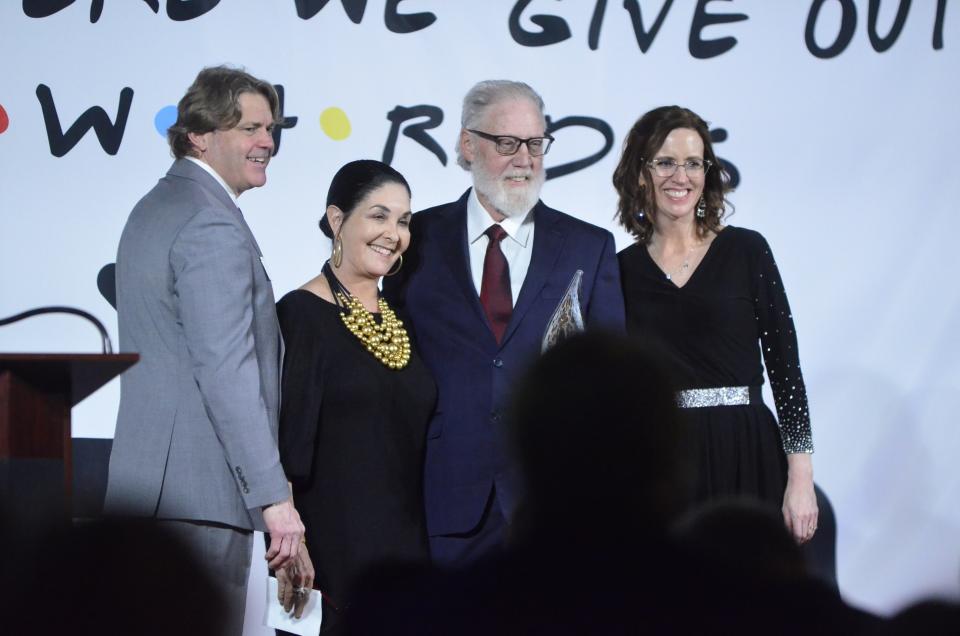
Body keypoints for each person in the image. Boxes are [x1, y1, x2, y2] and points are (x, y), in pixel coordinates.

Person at [383, 79, 625, 566]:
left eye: (536, 143)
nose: (525, 158)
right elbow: (393, 371)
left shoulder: (588, 246)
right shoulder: (416, 240)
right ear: (468, 145)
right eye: (507, 142)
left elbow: (612, 382)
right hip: (446, 499)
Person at [104, 65, 305, 634]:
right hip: (203, 498)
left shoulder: (157, 206)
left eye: (272, 129)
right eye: (251, 128)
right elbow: (226, 371)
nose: (267, 142)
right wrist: (273, 498)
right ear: (200, 134)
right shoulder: (209, 224)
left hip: (150, 494)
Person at [613, 105, 818, 544]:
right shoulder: (618, 270)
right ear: (641, 173)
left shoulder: (747, 250)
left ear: (707, 173)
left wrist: (800, 478)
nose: (680, 176)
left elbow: (786, 369)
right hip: (663, 460)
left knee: (750, 601)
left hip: (747, 449)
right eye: (665, 162)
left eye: (693, 163)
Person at [275, 160, 435, 633]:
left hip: (405, 553)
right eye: (379, 215)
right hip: (333, 557)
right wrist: (293, 549)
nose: (394, 233)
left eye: (403, 221)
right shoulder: (302, 314)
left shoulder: (400, 318)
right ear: (337, 220)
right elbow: (287, 444)